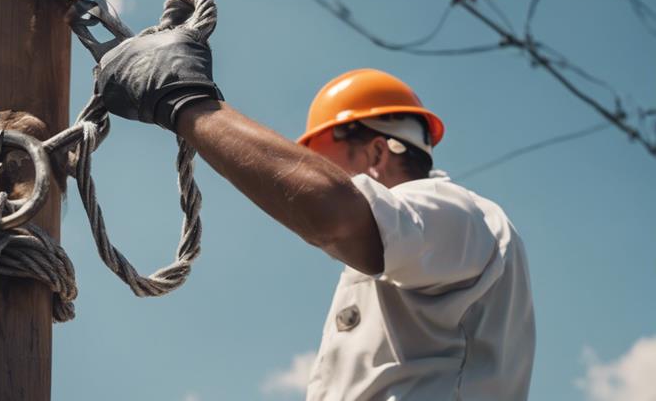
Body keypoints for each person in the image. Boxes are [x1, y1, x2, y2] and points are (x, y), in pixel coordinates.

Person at [95, 24, 535, 400]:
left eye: (326, 165)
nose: (311, 179)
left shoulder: (458, 213)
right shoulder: (411, 249)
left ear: (378, 150)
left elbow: (332, 212)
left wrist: (184, 100)